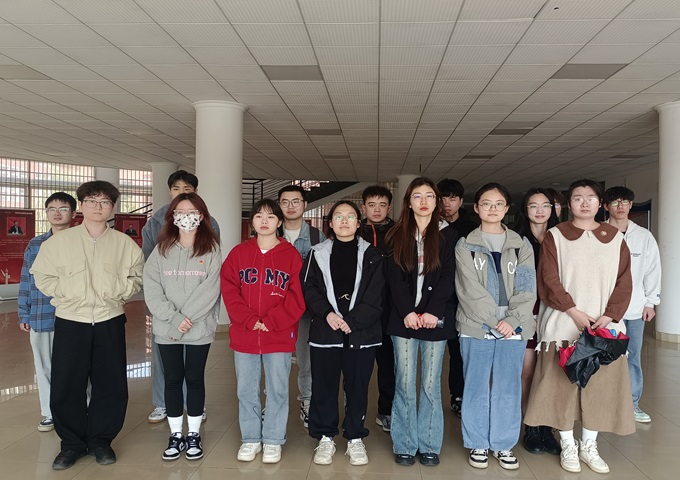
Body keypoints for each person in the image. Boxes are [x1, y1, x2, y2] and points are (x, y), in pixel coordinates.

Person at [31, 181, 144, 470]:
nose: (98, 207)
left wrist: (118, 293)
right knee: (67, 383)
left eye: (105, 202)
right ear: (81, 205)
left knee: (110, 383)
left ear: (112, 208)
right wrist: (67, 294)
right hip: (71, 320)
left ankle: (100, 441)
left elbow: (137, 277)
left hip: (109, 319)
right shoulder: (59, 242)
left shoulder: (124, 244)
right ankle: (71, 444)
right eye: (92, 201)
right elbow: (42, 276)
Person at [525, 179, 634, 475]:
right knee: (560, 388)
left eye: (590, 198)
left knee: (600, 388)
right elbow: (548, 279)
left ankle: (589, 445)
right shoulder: (556, 235)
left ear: (600, 203)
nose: (584, 203)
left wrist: (610, 315)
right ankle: (567, 444)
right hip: (562, 325)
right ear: (567, 204)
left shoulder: (615, 238)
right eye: (577, 198)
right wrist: (572, 310)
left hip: (604, 329)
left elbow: (625, 282)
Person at [456, 183, 537, 471]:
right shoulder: (465, 244)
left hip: (514, 328)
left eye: (498, 203)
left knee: (508, 386)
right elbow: (468, 289)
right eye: (486, 204)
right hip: (476, 325)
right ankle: (478, 442)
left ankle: (503, 444)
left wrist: (511, 321)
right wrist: (494, 321)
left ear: (507, 208)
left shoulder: (521, 244)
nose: (493, 209)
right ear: (477, 208)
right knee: (476, 385)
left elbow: (527, 287)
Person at [222, 199, 305, 464]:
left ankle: (273, 439)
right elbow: (229, 290)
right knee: (246, 390)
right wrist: (248, 319)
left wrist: (272, 320)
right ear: (252, 222)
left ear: (279, 222)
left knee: (278, 389)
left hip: (278, 334)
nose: (264, 221)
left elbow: (297, 296)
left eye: (270, 216)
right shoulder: (239, 253)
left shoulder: (291, 255)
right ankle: (250, 438)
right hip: (245, 334)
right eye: (259, 216)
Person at [303, 201, 384, 466]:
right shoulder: (316, 253)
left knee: (358, 387)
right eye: (339, 216)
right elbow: (309, 289)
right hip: (326, 332)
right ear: (331, 223)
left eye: (350, 216)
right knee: (324, 387)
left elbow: (377, 294)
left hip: (361, 334)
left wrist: (353, 321)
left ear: (359, 223)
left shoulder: (373, 254)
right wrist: (328, 314)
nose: (345, 221)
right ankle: (325, 436)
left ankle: (355, 437)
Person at [386, 177, 458, 467]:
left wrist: (433, 311)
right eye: (417, 196)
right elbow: (394, 278)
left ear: (437, 201)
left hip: (434, 320)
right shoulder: (396, 234)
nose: (424, 201)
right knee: (404, 382)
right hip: (403, 319)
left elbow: (449, 276)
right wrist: (407, 311)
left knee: (430, 383)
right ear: (408, 202)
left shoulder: (449, 235)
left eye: (429, 195)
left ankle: (429, 444)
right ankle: (404, 443)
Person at [143, 193, 221, 462]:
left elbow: (210, 291)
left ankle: (194, 434)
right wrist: (175, 320)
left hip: (199, 329)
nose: (186, 217)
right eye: (181, 212)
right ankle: (176, 434)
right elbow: (152, 290)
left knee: (195, 379)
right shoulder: (161, 250)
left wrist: (184, 320)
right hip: (167, 329)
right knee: (172, 380)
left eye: (192, 212)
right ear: (172, 216)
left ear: (202, 216)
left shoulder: (211, 250)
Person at [17, 192, 76, 432]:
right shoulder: (35, 244)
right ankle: (50, 412)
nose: (57, 213)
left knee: (77, 366)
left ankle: (81, 408)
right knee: (44, 367)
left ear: (73, 213)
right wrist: (24, 313)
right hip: (42, 315)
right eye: (52, 209)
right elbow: (26, 280)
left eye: (63, 208)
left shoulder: (80, 242)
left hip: (75, 314)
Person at [604, 186, 661, 424]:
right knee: (604, 356)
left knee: (633, 357)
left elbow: (652, 270)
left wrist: (651, 302)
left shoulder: (643, 236)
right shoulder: (599, 233)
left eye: (625, 202)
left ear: (630, 205)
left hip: (635, 310)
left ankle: (632, 404)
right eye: (615, 202)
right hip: (605, 311)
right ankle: (604, 404)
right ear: (606, 206)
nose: (620, 206)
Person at [512, 188, 561, 455]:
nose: (540, 211)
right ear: (525, 209)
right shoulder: (517, 241)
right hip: (527, 313)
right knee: (527, 372)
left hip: (556, 314)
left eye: (545, 205)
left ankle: (547, 427)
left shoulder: (561, 238)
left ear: (553, 209)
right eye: (533, 205)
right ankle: (530, 425)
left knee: (551, 373)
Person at [277, 184, 326, 428]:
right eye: (285, 202)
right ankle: (274, 405)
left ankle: (307, 401)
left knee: (306, 361)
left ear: (305, 205)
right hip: (277, 311)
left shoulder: (318, 237)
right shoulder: (270, 233)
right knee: (276, 361)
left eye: (296, 201)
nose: (291, 206)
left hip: (307, 311)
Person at [437, 178, 477, 417]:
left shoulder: (471, 229)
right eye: (442, 198)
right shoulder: (432, 227)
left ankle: (458, 395)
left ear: (461, 201)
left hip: (464, 298)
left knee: (459, 350)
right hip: (438, 297)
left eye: (452, 198)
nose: (447, 203)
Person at [358, 185, 395, 432]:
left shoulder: (399, 232)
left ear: (389, 208)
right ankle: (355, 411)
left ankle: (386, 411)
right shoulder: (354, 231)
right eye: (372, 205)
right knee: (358, 366)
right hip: (360, 310)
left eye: (382, 205)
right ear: (364, 208)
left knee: (388, 365)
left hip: (390, 309)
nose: (377, 210)